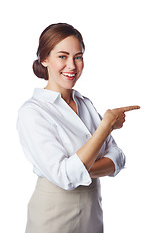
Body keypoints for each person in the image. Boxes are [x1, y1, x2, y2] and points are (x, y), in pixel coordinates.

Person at [17, 23, 140, 233]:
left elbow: (118, 157)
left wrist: (83, 168)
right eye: (62, 56)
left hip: (92, 211)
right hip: (52, 214)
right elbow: (65, 177)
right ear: (45, 59)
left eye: (78, 56)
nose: (72, 66)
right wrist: (106, 126)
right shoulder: (33, 112)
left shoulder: (85, 104)